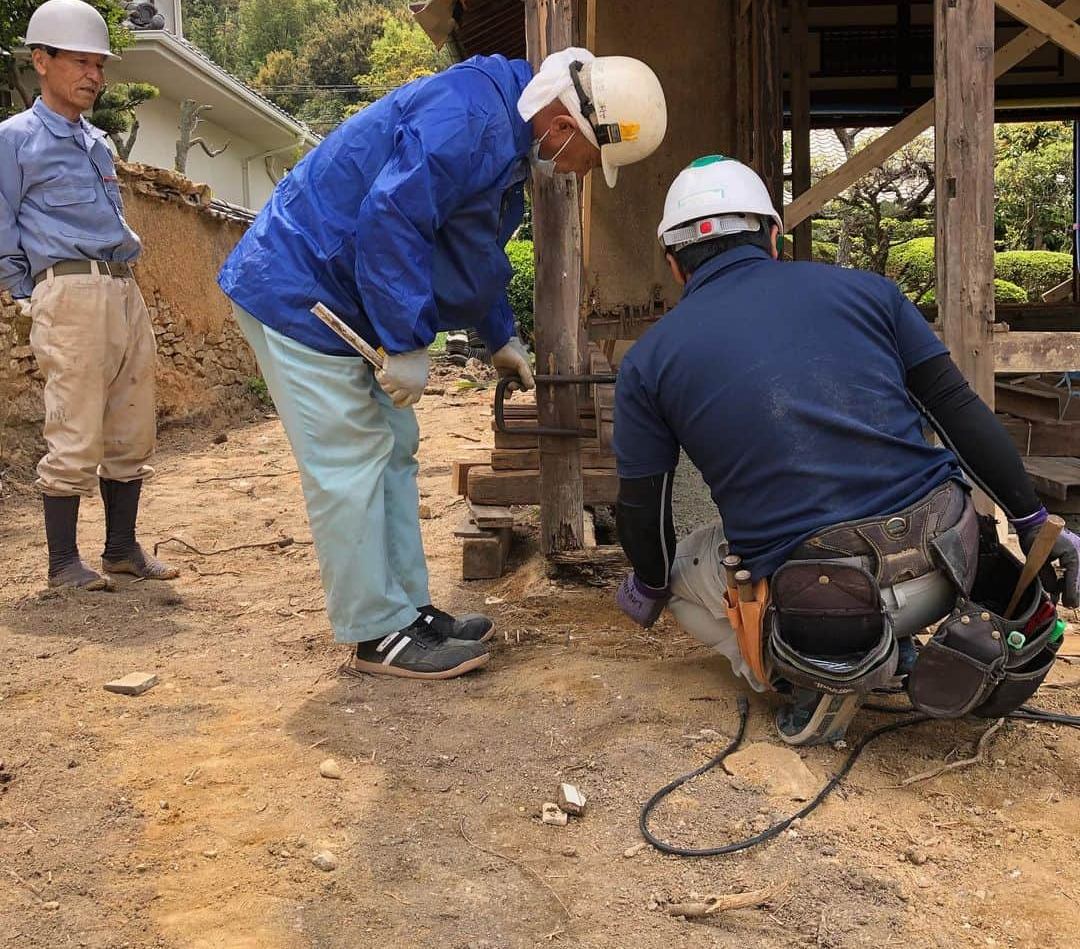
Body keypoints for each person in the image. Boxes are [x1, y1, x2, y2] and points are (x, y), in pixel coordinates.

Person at [219, 47, 667, 681]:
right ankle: (376, 633)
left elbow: (470, 246)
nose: (581, 173)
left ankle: (407, 611)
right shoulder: (468, 119)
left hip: (342, 289)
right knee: (351, 462)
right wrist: (406, 344)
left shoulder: (507, 131)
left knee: (393, 447)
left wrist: (497, 335)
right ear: (566, 126)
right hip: (300, 287)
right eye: (589, 161)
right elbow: (392, 219)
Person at [612, 154, 1080, 744]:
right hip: (946, 570)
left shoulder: (649, 361)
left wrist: (649, 586)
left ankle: (809, 681)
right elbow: (962, 416)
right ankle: (894, 649)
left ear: (675, 266)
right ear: (774, 236)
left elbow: (644, 513)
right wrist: (1036, 522)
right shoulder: (870, 293)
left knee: (685, 576)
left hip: (817, 604)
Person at [0, 0, 178, 591]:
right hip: (70, 290)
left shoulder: (96, 141)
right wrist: (32, 293)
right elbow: (2, 221)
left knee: (132, 424)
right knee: (74, 428)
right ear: (41, 60)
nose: (93, 76)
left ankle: (122, 549)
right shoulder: (15, 138)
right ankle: (61, 564)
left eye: (99, 65)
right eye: (80, 62)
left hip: (122, 287)